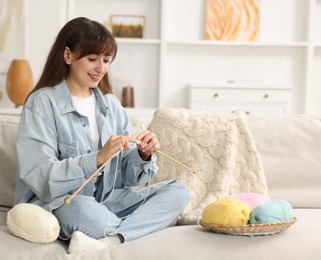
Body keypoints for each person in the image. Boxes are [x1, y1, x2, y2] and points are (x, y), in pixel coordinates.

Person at [14, 17, 191, 254]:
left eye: (106, 61)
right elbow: (41, 177)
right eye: (92, 59)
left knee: (180, 192)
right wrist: (97, 158)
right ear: (68, 56)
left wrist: (142, 155)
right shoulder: (42, 104)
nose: (101, 69)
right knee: (89, 215)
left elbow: (130, 178)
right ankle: (135, 228)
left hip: (109, 202)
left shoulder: (110, 104)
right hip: (61, 203)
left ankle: (111, 240)